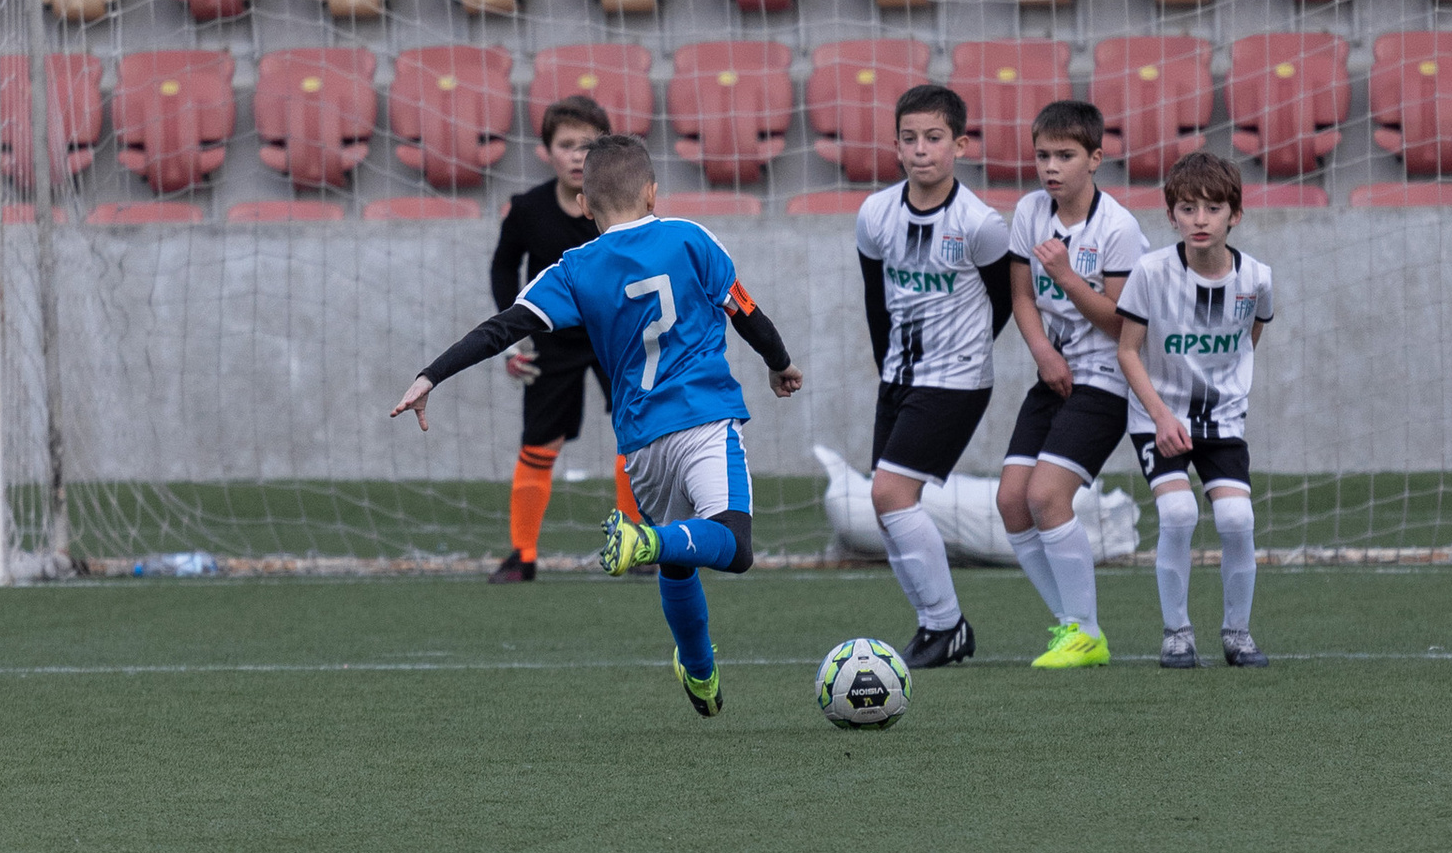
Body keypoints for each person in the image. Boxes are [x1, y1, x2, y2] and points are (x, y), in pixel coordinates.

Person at [392, 132, 802, 718]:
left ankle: (700, 669)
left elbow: (500, 329)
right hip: (707, 418)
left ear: (584, 205)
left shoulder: (575, 269)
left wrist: (430, 375)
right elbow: (748, 313)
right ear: (654, 192)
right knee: (732, 546)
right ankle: (646, 544)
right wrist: (780, 364)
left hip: (640, 440)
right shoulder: (691, 239)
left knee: (680, 561)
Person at [855, 81, 1013, 672]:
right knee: (889, 504)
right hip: (898, 377)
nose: (921, 150)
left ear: (960, 145)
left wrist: (964, 353)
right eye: (910, 139)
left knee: (889, 493)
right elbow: (875, 300)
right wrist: (886, 367)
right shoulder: (875, 214)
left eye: (935, 138)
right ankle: (935, 624)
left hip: (958, 379)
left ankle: (946, 626)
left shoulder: (982, 224)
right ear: (896, 146)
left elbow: (1002, 302)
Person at [997, 100, 1147, 675]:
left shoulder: (1119, 229)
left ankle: (1085, 633)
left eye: (1065, 155)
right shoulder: (1031, 211)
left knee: (1046, 497)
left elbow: (1120, 323)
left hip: (1109, 378)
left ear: (1096, 159)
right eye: (1042, 155)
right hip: (1053, 372)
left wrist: (1064, 275)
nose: (1051, 167)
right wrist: (1041, 353)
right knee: (1011, 500)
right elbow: (1020, 297)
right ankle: (1074, 625)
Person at [1116, 153, 1271, 675]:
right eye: (1187, 208)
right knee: (1179, 513)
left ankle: (1237, 633)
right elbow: (1128, 351)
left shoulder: (1257, 279)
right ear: (1172, 214)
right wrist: (1160, 415)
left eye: (1212, 207)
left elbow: (1251, 336)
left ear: (1235, 215)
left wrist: (1227, 390)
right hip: (1156, 418)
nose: (1200, 219)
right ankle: (1177, 634)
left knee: (1236, 517)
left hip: (1221, 421)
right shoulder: (1150, 272)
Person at [485, 91, 612, 583]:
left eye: (589, 144)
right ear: (547, 151)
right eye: (567, 144)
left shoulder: (619, 207)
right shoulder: (527, 208)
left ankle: (646, 545)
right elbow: (503, 264)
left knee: (637, 429)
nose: (578, 155)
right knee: (541, 440)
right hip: (551, 337)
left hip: (613, 333)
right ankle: (523, 555)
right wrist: (512, 334)